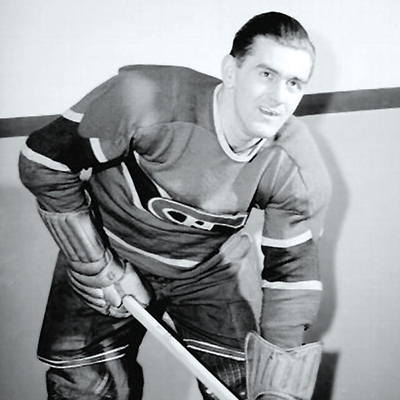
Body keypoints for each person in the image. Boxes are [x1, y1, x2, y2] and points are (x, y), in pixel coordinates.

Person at [19, 11, 331, 400]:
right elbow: (43, 163)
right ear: (231, 71)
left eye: (294, 83)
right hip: (111, 247)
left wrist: (279, 384)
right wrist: (99, 268)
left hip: (211, 272)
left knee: (252, 385)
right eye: (266, 74)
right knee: (84, 388)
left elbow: (290, 275)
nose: (279, 98)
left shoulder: (297, 168)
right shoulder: (144, 98)